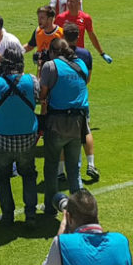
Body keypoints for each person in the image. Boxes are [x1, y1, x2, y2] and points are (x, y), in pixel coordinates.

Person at [0, 44, 40, 227]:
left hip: (2, 138)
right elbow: (38, 98)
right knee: (29, 174)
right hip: (27, 137)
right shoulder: (32, 80)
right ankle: (31, 215)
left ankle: (7, 215)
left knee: (2, 176)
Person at [39, 189, 132, 265]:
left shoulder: (63, 244)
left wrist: (61, 233)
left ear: (69, 218)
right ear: (96, 214)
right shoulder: (121, 242)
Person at [40, 38, 90, 208]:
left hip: (57, 122)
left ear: (53, 52)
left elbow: (42, 94)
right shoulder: (81, 64)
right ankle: (80, 209)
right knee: (74, 168)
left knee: (52, 167)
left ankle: (51, 206)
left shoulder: (50, 66)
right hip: (78, 122)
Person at [63, 23, 99, 181]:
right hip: (80, 98)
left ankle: (59, 171)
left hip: (62, 99)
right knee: (86, 131)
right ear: (78, 36)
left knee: (61, 134)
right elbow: (88, 78)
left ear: (63, 36)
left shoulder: (59, 54)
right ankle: (91, 164)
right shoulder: (86, 54)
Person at [55, 0, 112, 64]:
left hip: (79, 54)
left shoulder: (85, 18)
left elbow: (92, 36)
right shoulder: (60, 18)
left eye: (72, 1)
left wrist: (102, 53)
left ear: (79, 3)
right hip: (64, 54)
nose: (69, 3)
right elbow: (54, 37)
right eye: (68, 1)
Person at [24, 5, 64, 74]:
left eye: (42, 18)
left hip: (58, 72)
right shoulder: (38, 31)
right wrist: (16, 51)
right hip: (42, 72)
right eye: (38, 17)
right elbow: (30, 46)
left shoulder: (61, 34)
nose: (39, 20)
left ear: (50, 19)